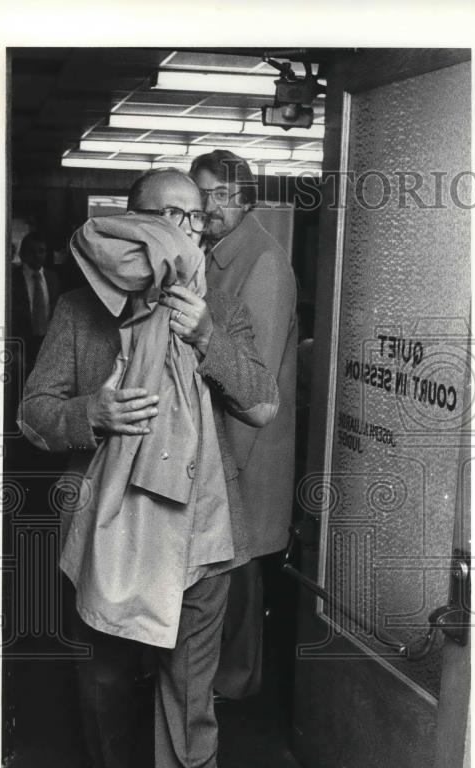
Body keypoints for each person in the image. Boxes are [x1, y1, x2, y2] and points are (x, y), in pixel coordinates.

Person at [18, 168, 278, 768]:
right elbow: (36, 414)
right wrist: (91, 411)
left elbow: (260, 402)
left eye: (193, 218)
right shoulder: (78, 309)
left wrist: (203, 335)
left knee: (188, 707)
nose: (180, 230)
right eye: (163, 215)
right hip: (112, 535)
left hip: (199, 541)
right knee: (105, 676)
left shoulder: (214, 304)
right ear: (128, 223)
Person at [190, 150, 298, 701]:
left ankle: (235, 685)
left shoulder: (264, 263)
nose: (212, 206)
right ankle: (218, 678)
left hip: (246, 448)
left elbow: (256, 385)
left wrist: (226, 467)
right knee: (221, 571)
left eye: (224, 196)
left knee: (240, 573)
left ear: (247, 199)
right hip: (218, 442)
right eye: (204, 194)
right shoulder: (215, 252)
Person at [10, 231, 60, 378]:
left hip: (46, 342)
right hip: (23, 344)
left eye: (41, 251)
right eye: (32, 251)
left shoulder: (53, 278)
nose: (38, 256)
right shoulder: (13, 279)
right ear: (22, 254)